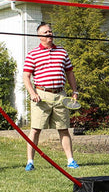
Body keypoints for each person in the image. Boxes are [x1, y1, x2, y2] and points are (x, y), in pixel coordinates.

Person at [23, 22, 80, 171]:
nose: (50, 34)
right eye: (46, 32)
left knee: (63, 129)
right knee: (35, 129)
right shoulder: (32, 54)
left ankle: (71, 161)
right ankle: (30, 162)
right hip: (41, 95)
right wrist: (33, 93)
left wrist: (75, 91)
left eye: (50, 31)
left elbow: (69, 72)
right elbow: (26, 76)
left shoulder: (62, 52)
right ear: (39, 36)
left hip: (60, 95)